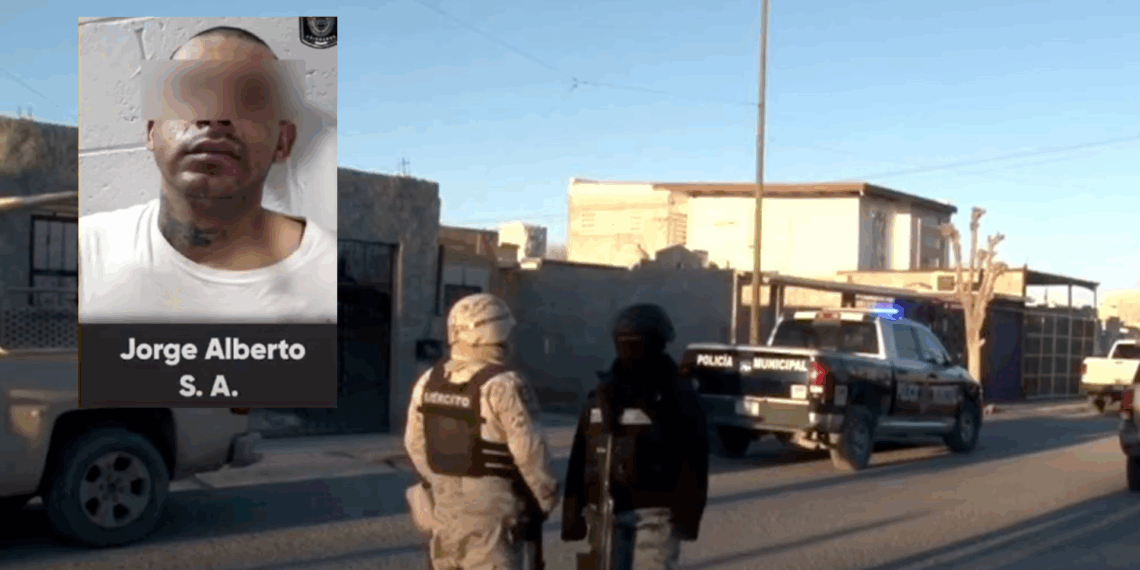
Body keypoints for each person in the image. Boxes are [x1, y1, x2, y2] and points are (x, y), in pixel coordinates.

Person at [78, 25, 335, 324]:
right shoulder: (87, 250)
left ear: (283, 141)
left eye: (246, 100)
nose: (214, 117)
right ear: (152, 131)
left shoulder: (327, 277)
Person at [405, 293, 560, 570]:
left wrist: (442, 483)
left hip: (443, 514)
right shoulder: (505, 385)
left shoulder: (427, 381)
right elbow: (531, 453)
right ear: (495, 333)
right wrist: (544, 501)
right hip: (491, 519)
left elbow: (415, 445)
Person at [562, 303, 710, 570]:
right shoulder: (604, 395)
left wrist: (688, 517)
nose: (630, 349)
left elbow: (695, 459)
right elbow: (581, 454)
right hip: (605, 513)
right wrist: (572, 512)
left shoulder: (678, 395)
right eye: (625, 341)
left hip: (657, 514)